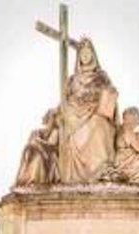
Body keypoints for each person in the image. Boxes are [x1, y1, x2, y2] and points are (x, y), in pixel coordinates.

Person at [58, 38, 118, 184]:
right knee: (68, 126)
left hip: (96, 114)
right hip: (74, 116)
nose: (85, 56)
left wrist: (109, 95)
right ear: (78, 57)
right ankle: (75, 176)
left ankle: (101, 170)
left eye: (88, 52)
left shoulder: (102, 77)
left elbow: (109, 96)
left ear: (93, 55)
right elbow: (65, 100)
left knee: (99, 125)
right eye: (82, 53)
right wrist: (62, 110)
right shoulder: (72, 80)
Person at [15, 108, 60, 187]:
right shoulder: (37, 132)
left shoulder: (55, 131)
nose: (53, 120)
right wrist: (36, 144)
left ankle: (34, 181)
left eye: (54, 118)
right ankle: (26, 180)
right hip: (39, 152)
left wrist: (39, 141)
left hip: (49, 155)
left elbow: (51, 144)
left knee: (38, 159)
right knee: (31, 152)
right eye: (52, 118)